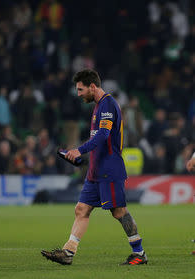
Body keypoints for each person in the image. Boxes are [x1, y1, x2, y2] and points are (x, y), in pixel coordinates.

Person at [41, 69, 148, 266]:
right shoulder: (98, 106)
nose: (79, 94)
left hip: (110, 169)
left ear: (92, 86)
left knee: (119, 212)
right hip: (96, 170)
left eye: (81, 90)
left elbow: (103, 135)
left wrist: (79, 150)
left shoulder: (107, 104)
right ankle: (68, 252)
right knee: (81, 209)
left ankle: (139, 253)